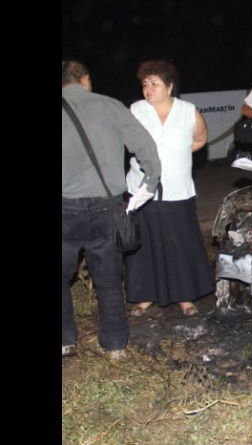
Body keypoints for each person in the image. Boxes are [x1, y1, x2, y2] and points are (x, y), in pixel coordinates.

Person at [62, 59, 161, 359]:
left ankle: (65, 340)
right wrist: (145, 190)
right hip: (108, 209)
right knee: (107, 280)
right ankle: (115, 345)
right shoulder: (111, 106)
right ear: (86, 80)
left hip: (65, 211)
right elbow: (147, 151)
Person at [125, 60, 213, 316]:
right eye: (144, 84)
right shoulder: (135, 111)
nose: (148, 89)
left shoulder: (188, 111)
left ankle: (185, 297)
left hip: (178, 188)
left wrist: (178, 156)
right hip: (142, 188)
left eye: (155, 84)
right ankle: (144, 296)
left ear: (170, 86)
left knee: (180, 243)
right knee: (145, 244)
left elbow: (201, 138)